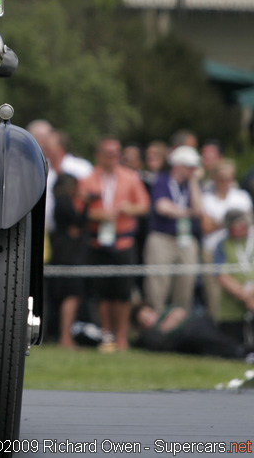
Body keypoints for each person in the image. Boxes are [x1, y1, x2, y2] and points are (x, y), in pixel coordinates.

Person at [78, 137, 151, 350]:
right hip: (98, 242)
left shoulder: (131, 178)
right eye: (109, 154)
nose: (113, 158)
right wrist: (97, 215)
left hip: (124, 241)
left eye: (116, 153)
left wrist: (129, 208)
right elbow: (81, 211)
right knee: (102, 292)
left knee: (123, 292)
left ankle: (122, 336)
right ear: (99, 155)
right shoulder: (88, 179)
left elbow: (144, 206)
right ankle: (107, 335)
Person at [144, 144, 205, 312]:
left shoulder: (191, 184)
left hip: (185, 239)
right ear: (178, 165)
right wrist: (186, 212)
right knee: (158, 284)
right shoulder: (162, 180)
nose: (193, 170)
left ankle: (181, 323)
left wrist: (193, 181)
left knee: (186, 284)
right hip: (162, 238)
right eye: (190, 167)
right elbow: (162, 206)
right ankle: (156, 322)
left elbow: (199, 210)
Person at [132, 302, 252, 361]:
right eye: (144, 320)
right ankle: (241, 353)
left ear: (154, 311)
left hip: (197, 323)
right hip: (188, 335)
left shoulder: (166, 311)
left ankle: (241, 351)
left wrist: (166, 325)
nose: (148, 319)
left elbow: (179, 313)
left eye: (148, 315)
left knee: (216, 338)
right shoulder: (149, 336)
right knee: (211, 345)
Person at [48, 173, 89, 347]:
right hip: (68, 254)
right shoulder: (64, 201)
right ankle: (65, 336)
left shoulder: (57, 202)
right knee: (71, 294)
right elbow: (77, 223)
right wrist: (85, 205)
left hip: (61, 252)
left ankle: (63, 335)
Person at [213, 209, 254, 347]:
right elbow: (221, 275)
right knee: (233, 350)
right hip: (231, 311)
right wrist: (245, 295)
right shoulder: (222, 244)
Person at [200, 159, 253, 254]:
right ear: (214, 178)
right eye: (221, 179)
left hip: (240, 248)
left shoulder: (242, 197)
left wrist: (218, 223)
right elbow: (206, 227)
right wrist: (232, 222)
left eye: (228, 179)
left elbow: (249, 224)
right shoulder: (206, 199)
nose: (225, 183)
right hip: (213, 247)